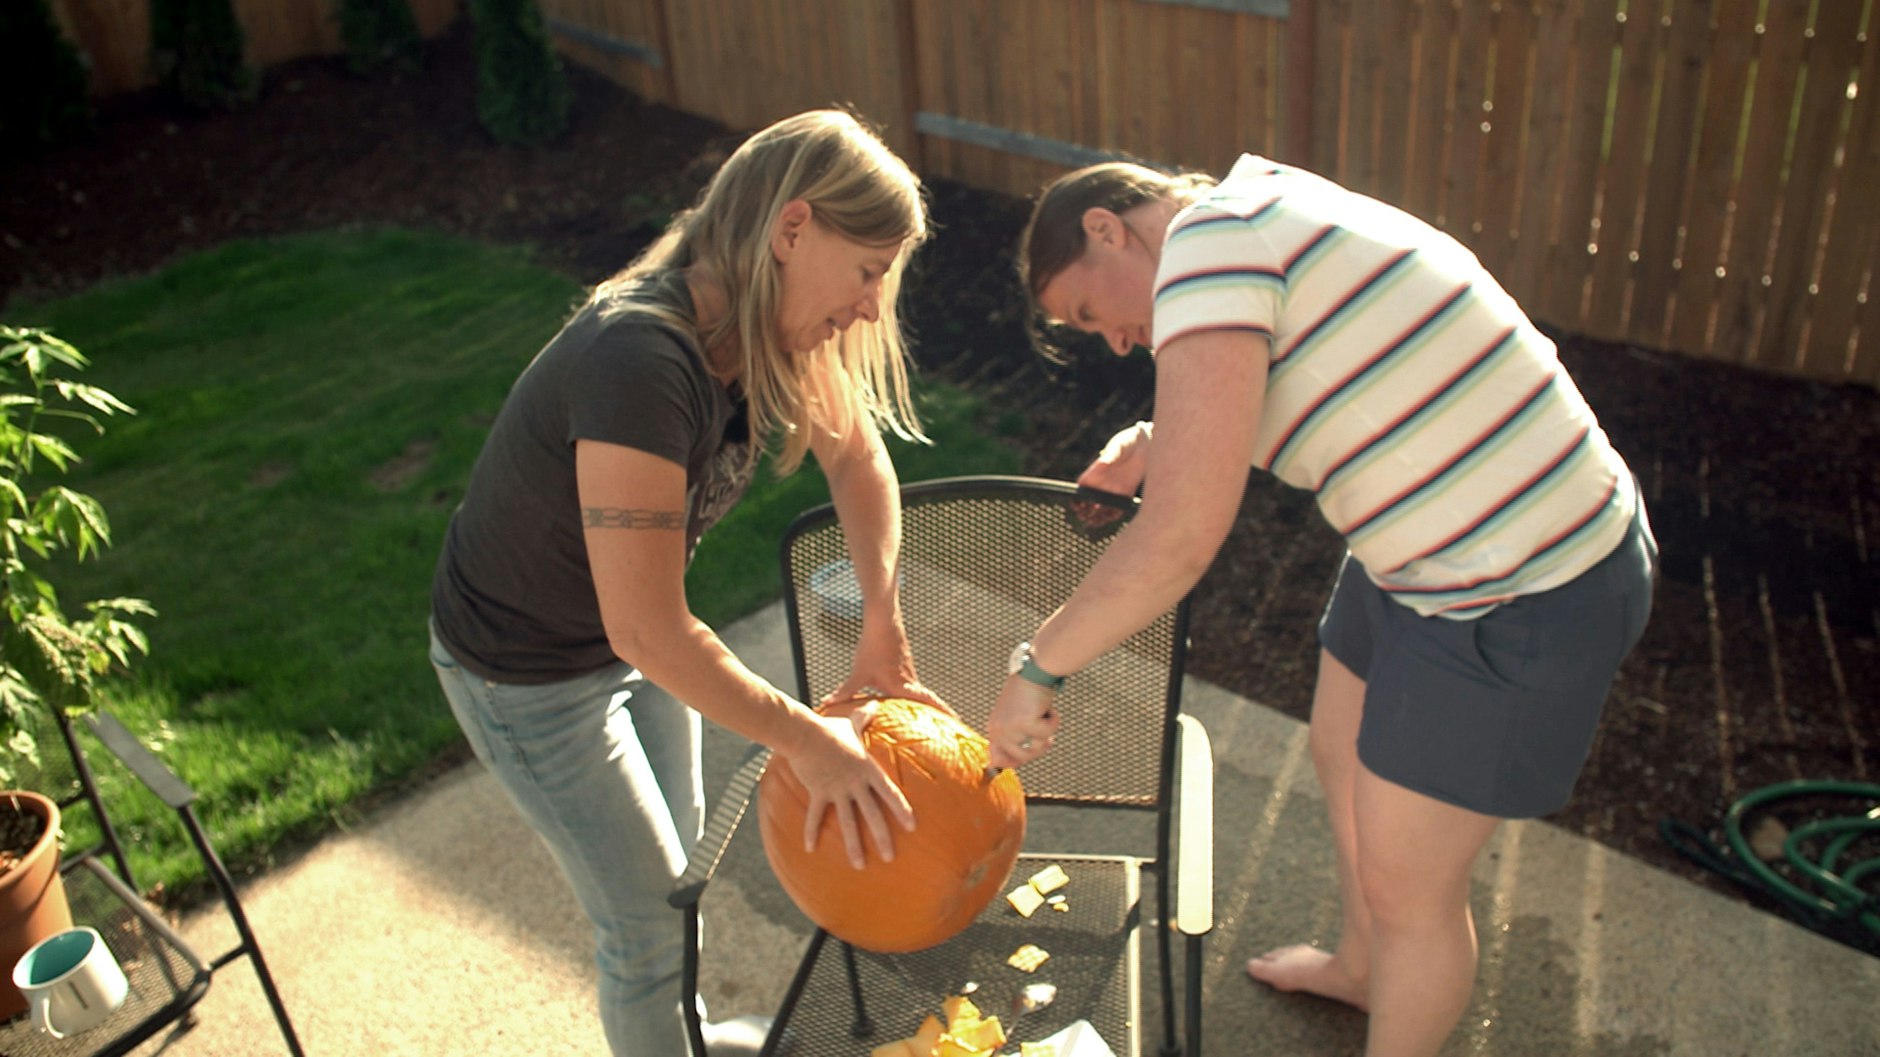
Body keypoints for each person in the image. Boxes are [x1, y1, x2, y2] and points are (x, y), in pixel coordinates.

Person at [988, 156, 1657, 1057]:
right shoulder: (1250, 212)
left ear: (1107, 228)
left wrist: (1039, 665)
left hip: (1523, 580)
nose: (1111, 341)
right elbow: (1310, 365)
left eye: (1086, 311)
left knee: (1412, 892)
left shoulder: (1208, 244)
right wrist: (1156, 439)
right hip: (1426, 549)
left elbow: (1179, 538)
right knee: (1340, 748)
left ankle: (1395, 973)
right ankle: (1364, 967)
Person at [427, 109, 943, 1057]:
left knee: (679, 885)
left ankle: (686, 1037)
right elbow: (650, 630)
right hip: (526, 675)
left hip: (621, 646)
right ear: (793, 229)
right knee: (646, 934)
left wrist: (883, 622)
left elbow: (859, 464)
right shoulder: (638, 360)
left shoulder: (765, 330)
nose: (872, 307)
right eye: (868, 271)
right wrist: (810, 740)